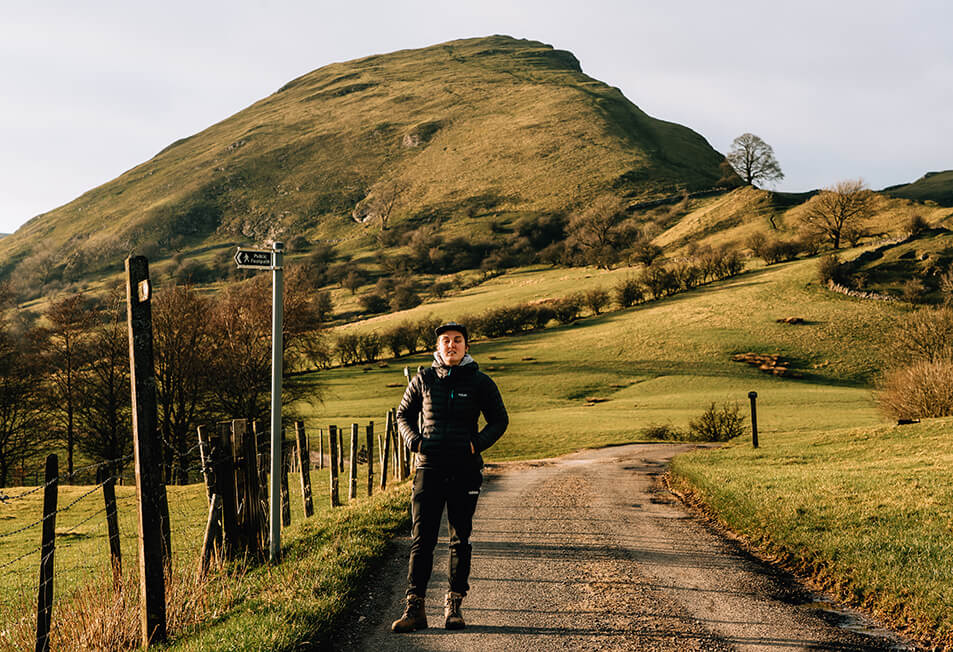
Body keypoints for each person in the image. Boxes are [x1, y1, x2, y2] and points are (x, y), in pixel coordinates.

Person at [391, 321, 508, 632]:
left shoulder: (481, 382)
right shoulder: (423, 379)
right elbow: (402, 414)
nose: (452, 345)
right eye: (446, 341)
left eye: (458, 340)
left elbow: (499, 419)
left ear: (467, 347)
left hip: (465, 469)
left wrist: (477, 444)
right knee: (422, 539)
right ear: (438, 348)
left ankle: (453, 606)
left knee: (460, 539)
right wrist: (414, 442)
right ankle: (414, 608)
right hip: (428, 467)